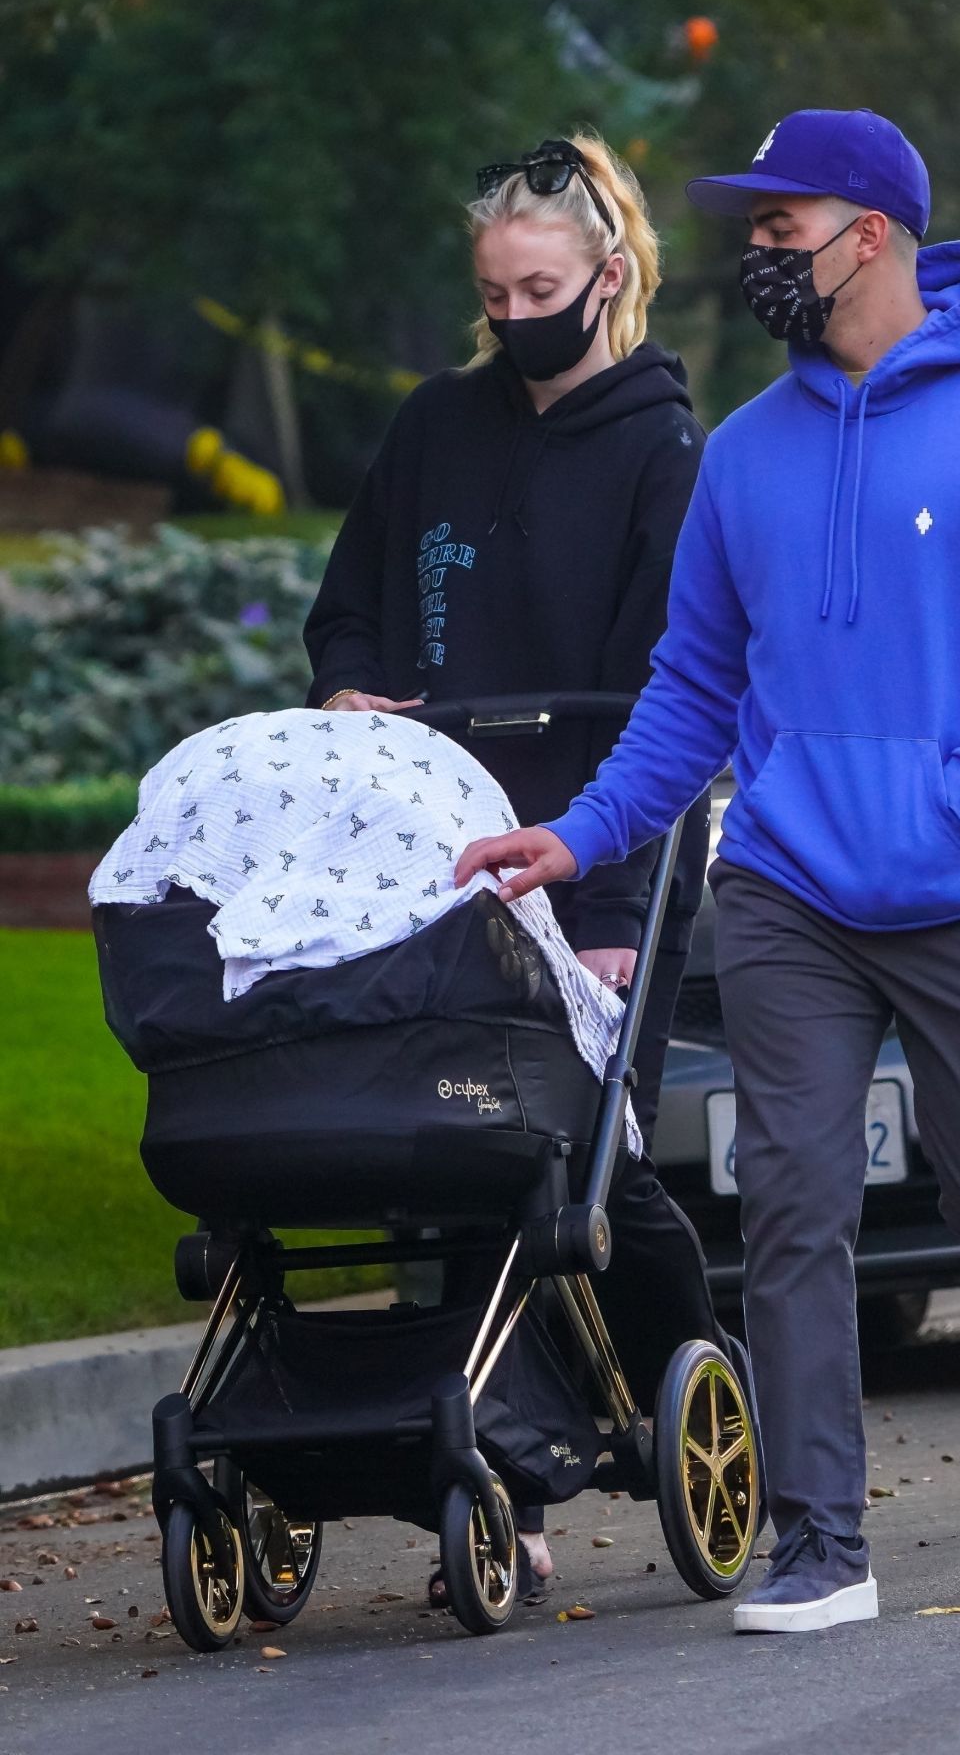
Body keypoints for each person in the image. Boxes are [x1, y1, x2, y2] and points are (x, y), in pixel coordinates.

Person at [457, 108, 960, 1633]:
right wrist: (580, 834)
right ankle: (821, 1539)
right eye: (757, 226)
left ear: (876, 236)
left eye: (787, 224)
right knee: (790, 1204)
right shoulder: (748, 457)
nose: (761, 249)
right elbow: (695, 687)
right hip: (787, 890)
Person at [303, 133, 720, 1599]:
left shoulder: (668, 456)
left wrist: (603, 905)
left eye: (537, 285)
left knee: (580, 1174)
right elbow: (345, 608)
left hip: (603, 858)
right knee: (448, 1162)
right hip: (440, 856)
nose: (513, 312)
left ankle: (702, 1383)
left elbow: (671, 698)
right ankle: (498, 1483)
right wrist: (353, 687)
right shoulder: (435, 428)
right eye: (493, 290)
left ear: (609, 279)